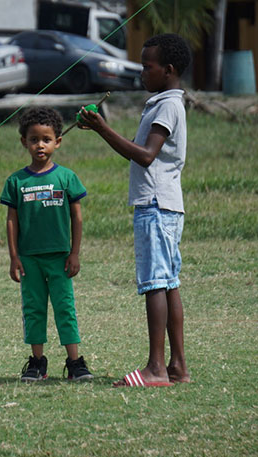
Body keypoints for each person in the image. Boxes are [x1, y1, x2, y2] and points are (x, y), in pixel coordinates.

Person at [77, 33, 191, 387]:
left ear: (168, 70)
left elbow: (144, 156)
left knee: (155, 284)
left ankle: (155, 369)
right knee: (169, 284)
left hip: (156, 205)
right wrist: (100, 129)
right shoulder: (161, 103)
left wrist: (102, 128)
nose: (141, 72)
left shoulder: (169, 106)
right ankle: (177, 367)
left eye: (147, 66)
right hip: (165, 204)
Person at [0, 107, 93, 382]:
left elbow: (77, 217)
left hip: (60, 258)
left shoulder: (66, 177)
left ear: (58, 141)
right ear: (24, 142)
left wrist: (74, 252)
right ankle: (37, 362)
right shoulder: (16, 181)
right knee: (33, 309)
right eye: (33, 139)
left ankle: (75, 363)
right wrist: (14, 257)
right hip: (29, 259)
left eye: (46, 139)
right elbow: (11, 220)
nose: (40, 145)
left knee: (65, 308)